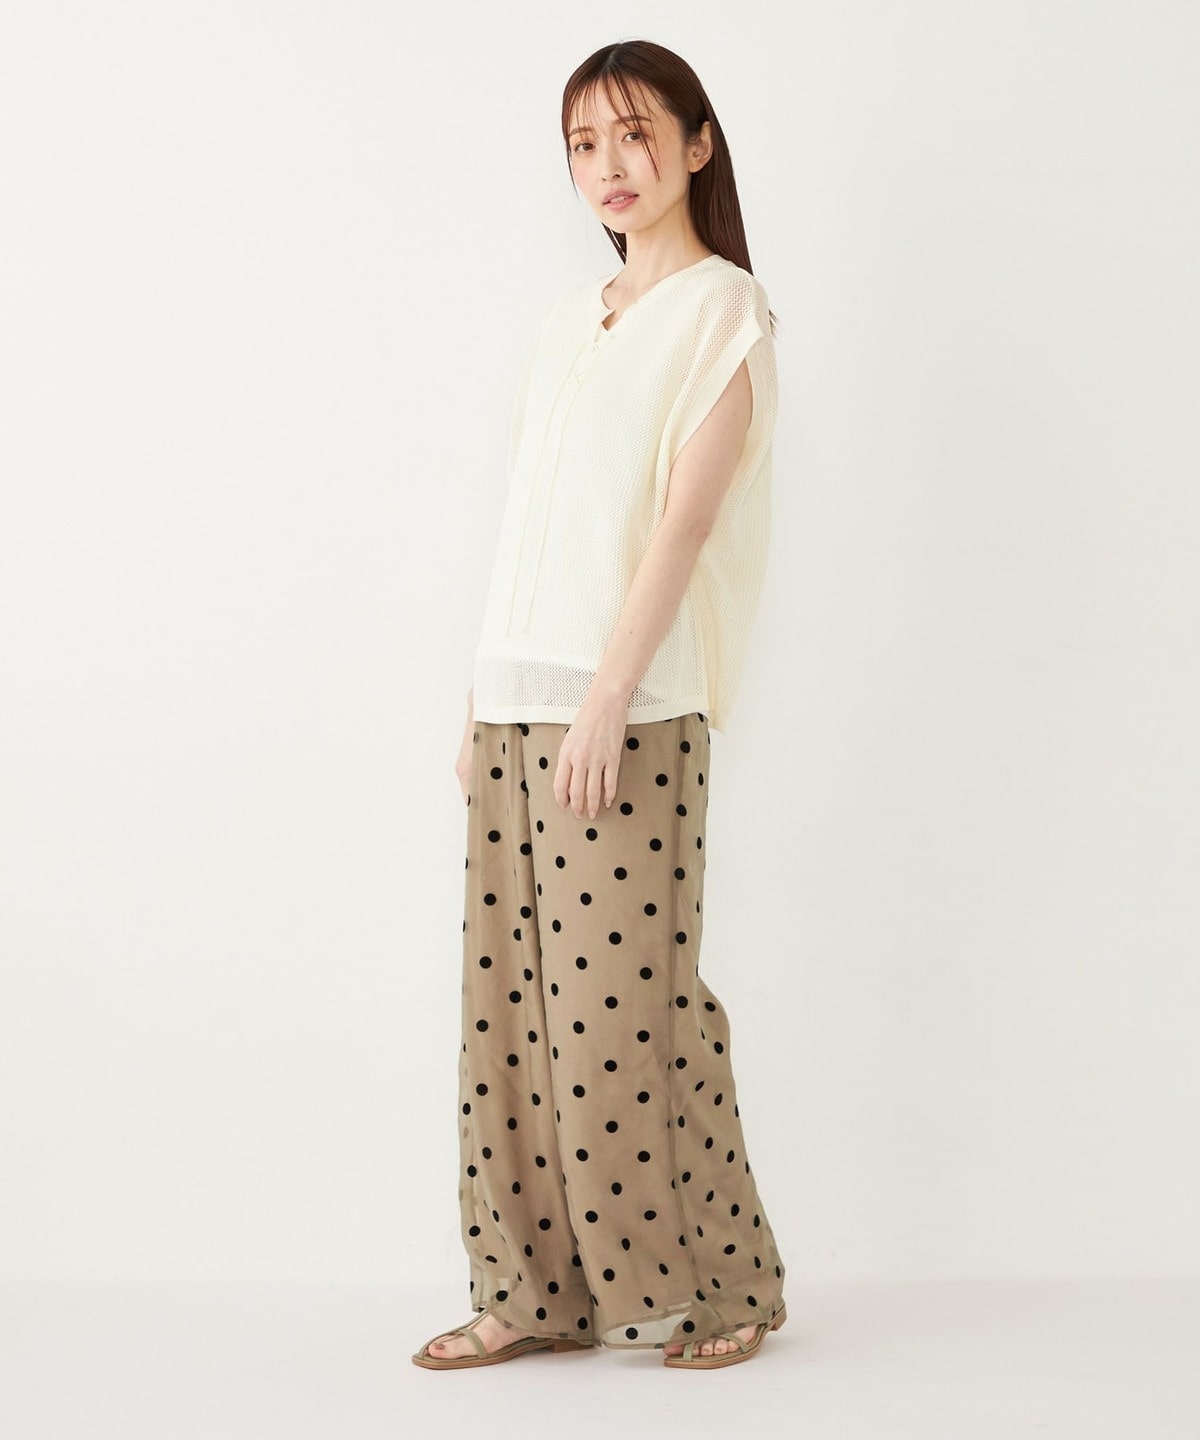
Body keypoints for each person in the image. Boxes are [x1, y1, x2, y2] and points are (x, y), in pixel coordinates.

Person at [413, 39, 788, 1372]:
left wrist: (607, 700)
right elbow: (533, 521)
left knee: (633, 1016)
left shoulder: (725, 311)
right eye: (584, 144)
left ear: (696, 142)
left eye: (634, 134)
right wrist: (484, 691)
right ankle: (530, 1292)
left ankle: (729, 1287)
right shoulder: (569, 322)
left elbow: (684, 525)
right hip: (518, 698)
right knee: (509, 1020)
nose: (609, 166)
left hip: (627, 709)